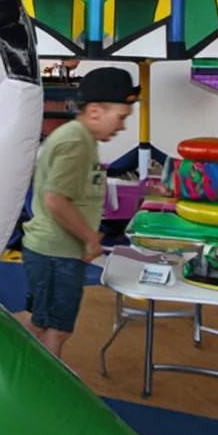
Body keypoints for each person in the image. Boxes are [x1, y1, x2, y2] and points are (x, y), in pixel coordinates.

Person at [21, 67, 138, 360]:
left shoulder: (81, 139)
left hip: (57, 253)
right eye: (121, 117)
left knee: (43, 322)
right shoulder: (75, 142)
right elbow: (56, 200)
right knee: (54, 328)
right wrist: (90, 240)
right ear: (96, 111)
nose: (122, 127)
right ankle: (48, 392)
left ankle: (29, 377)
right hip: (55, 254)